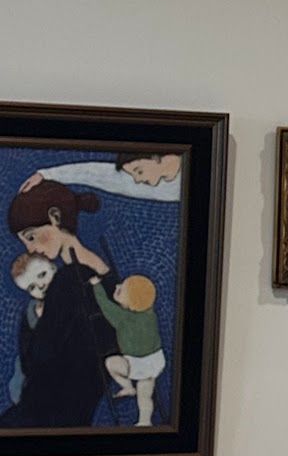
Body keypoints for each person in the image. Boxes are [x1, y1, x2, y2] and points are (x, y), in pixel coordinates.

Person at [1, 180, 116, 429]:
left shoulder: (68, 281)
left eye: (31, 237)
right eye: (24, 242)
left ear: (55, 217)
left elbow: (39, 359)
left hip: (51, 412)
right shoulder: (99, 274)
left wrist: (33, 327)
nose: (31, 249)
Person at [90, 273, 165, 428]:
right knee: (145, 395)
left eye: (120, 290)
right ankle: (145, 421)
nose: (117, 286)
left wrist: (96, 286)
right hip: (155, 361)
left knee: (110, 363)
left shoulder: (122, 318)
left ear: (130, 304)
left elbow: (105, 306)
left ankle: (127, 386)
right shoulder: (149, 313)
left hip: (136, 364)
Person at [18, 151, 182, 203]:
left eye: (138, 171)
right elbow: (95, 173)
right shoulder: (149, 183)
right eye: (133, 175)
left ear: (154, 158)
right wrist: (46, 175)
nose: (138, 180)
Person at [7, 254, 56, 408]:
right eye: (32, 287)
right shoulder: (31, 312)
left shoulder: (71, 294)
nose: (41, 286)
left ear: (53, 268)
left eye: (42, 275)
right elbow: (25, 350)